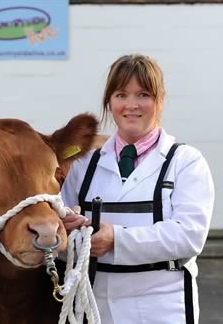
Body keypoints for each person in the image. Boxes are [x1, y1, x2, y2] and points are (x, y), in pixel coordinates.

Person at [61, 54, 214, 323]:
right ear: (109, 102)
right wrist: (68, 228)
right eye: (121, 95)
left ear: (160, 101)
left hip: (162, 308)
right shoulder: (84, 164)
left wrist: (116, 239)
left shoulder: (185, 161)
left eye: (143, 94)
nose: (131, 105)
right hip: (94, 307)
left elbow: (189, 236)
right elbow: (56, 236)